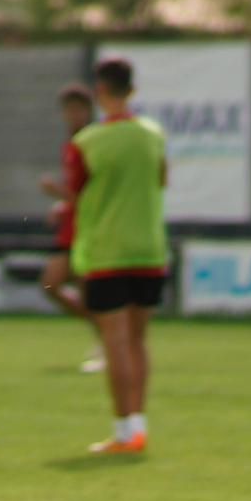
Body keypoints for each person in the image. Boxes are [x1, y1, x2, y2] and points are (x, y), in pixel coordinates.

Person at [65, 58, 166, 454]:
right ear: (132, 90)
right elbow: (162, 179)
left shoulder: (87, 141)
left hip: (107, 251)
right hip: (149, 250)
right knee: (139, 342)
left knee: (116, 344)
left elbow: (76, 192)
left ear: (99, 91)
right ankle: (138, 424)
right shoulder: (153, 135)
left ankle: (124, 430)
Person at [37, 82, 102, 374]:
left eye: (79, 109)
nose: (73, 115)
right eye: (69, 110)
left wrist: (59, 194)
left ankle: (107, 343)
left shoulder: (94, 143)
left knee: (88, 292)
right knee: (51, 283)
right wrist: (63, 208)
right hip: (71, 228)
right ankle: (106, 334)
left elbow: (92, 194)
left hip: (90, 229)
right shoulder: (72, 144)